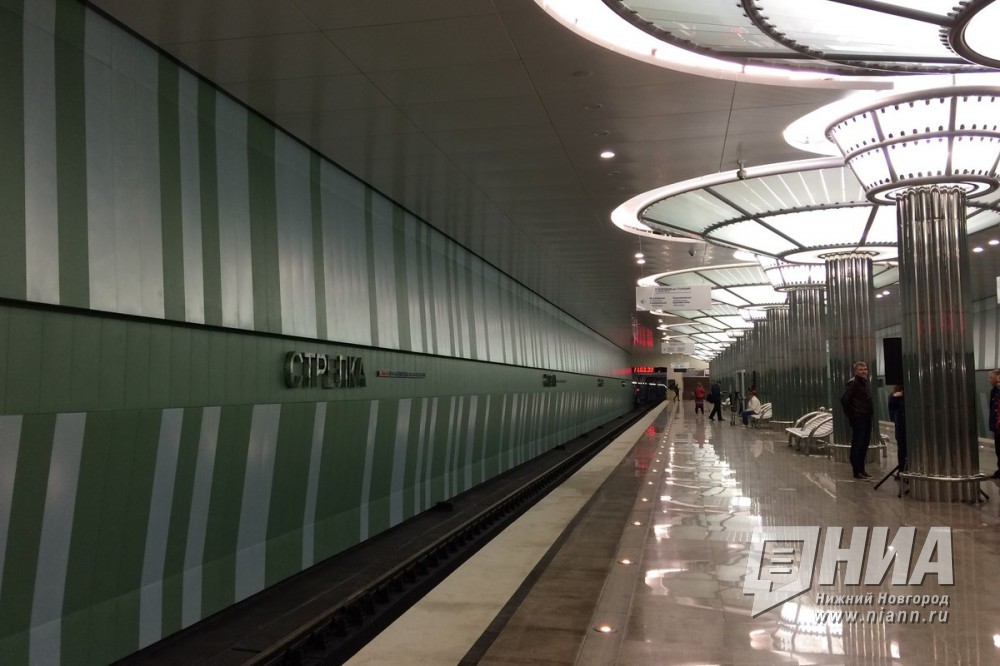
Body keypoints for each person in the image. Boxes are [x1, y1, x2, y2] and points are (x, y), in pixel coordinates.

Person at [841, 361, 874, 480]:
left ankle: (862, 470)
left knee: (864, 444)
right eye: (861, 369)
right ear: (855, 371)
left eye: (865, 369)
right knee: (858, 444)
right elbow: (845, 400)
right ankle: (856, 471)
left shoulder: (864, 383)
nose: (863, 371)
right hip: (859, 418)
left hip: (866, 417)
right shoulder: (853, 383)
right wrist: (852, 415)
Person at [887, 384, 906, 473]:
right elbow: (891, 408)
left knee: (902, 448)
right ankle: (902, 469)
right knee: (902, 448)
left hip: (901, 425)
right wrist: (895, 397)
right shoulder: (895, 395)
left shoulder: (893, 395)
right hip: (901, 426)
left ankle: (902, 469)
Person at [989, 370, 1000, 478]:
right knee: (998, 449)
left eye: (991, 377)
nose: (989, 380)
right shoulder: (994, 391)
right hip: (997, 425)